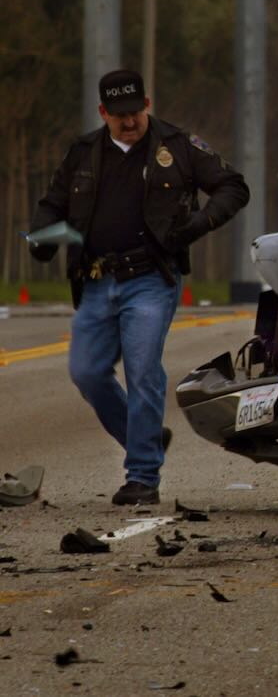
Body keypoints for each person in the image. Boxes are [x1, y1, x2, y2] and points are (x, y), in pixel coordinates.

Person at [30, 70, 248, 506]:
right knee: (87, 372)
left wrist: (199, 223)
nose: (130, 123)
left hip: (151, 278)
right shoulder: (84, 152)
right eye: (119, 116)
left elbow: (232, 186)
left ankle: (143, 476)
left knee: (143, 367)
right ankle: (141, 435)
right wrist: (42, 235)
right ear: (103, 113)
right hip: (95, 280)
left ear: (147, 103)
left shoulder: (180, 146)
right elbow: (53, 202)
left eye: (136, 112)